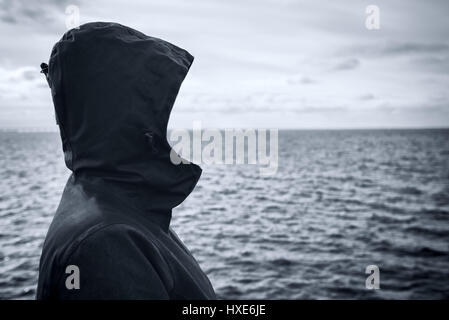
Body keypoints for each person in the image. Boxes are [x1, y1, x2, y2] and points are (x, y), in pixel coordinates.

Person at [36, 22, 216, 300]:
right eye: (157, 109)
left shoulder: (116, 201)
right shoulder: (106, 241)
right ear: (127, 117)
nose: (169, 125)